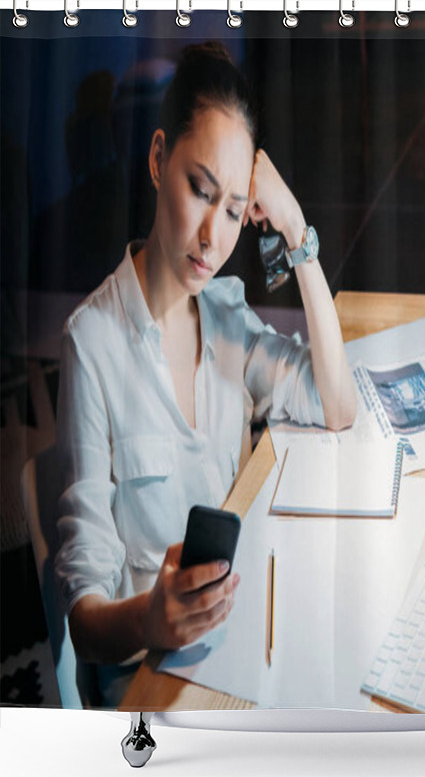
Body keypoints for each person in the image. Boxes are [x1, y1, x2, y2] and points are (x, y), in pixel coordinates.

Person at [53, 41, 357, 706]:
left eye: (233, 209)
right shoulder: (91, 345)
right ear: (159, 159)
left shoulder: (224, 315)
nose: (213, 240)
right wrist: (148, 618)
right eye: (200, 189)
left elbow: (338, 404)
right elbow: (83, 611)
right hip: (146, 682)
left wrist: (296, 229)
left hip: (233, 650)